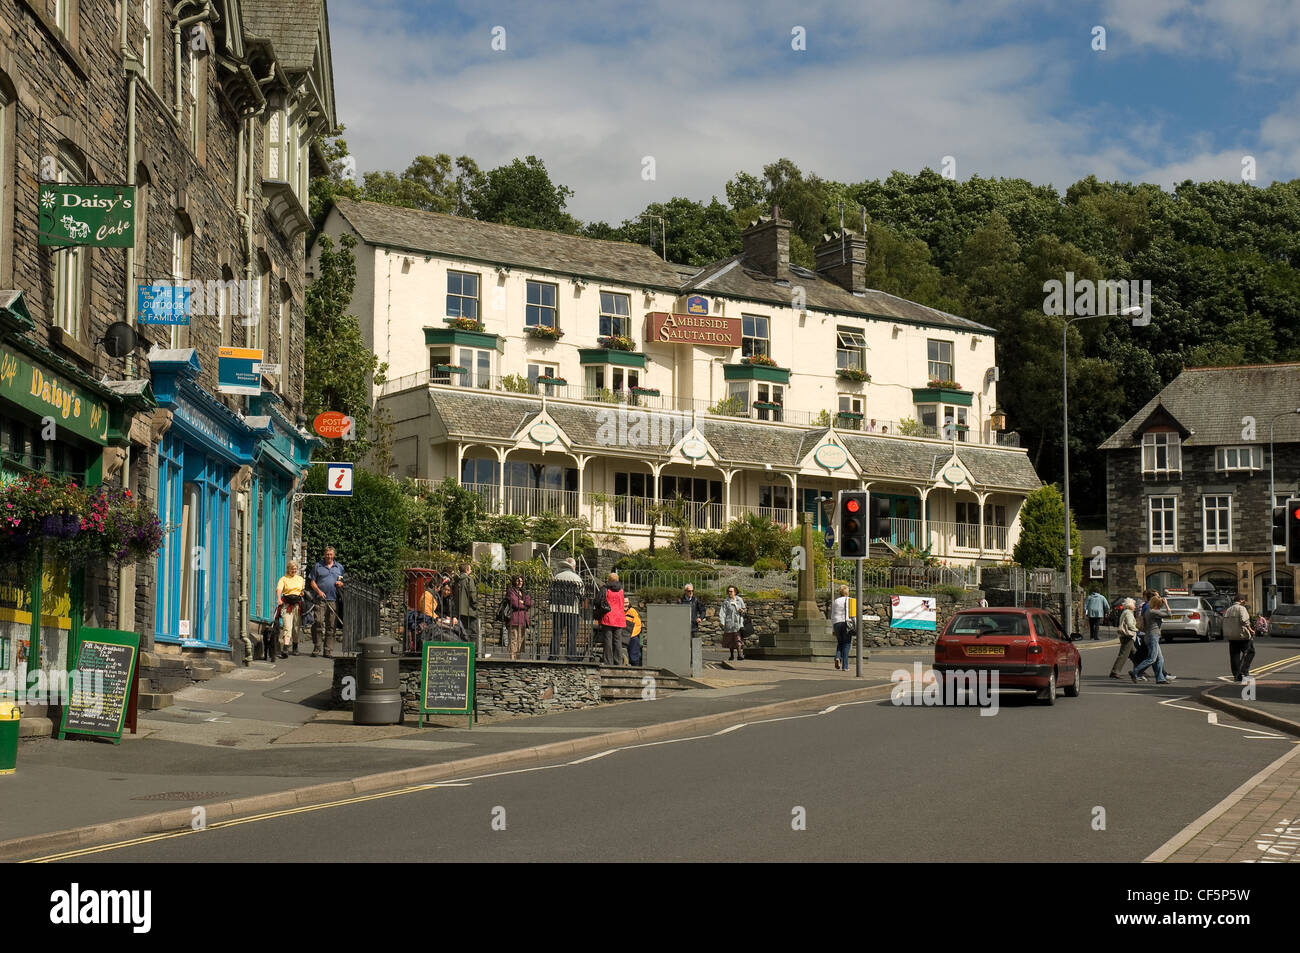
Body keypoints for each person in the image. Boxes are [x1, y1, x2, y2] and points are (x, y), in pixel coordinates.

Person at [309, 545, 345, 658]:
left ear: (333, 555)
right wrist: (319, 591)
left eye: (331, 554)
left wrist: (341, 583)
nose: (329, 556)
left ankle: (328, 650)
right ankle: (317, 646)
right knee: (318, 622)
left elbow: (342, 579)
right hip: (320, 600)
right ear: (324, 554)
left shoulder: (339, 567)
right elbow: (312, 582)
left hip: (333, 599)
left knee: (331, 626)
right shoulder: (318, 566)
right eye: (327, 554)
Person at [1132, 590, 1174, 684]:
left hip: (1150, 636)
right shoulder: (1153, 612)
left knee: (1159, 658)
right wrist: (1166, 604)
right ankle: (1136, 672)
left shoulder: (1149, 610)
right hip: (1153, 637)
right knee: (1152, 658)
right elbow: (1169, 615)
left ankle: (1160, 678)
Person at [549, 558, 583, 660]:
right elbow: (581, 593)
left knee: (556, 632)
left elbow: (550, 592)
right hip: (573, 610)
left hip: (558, 609)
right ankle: (571, 655)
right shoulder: (576, 578)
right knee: (572, 633)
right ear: (574, 566)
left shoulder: (556, 577)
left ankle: (554, 655)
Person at [275, 561, 306, 658]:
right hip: (286, 605)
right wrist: (279, 599)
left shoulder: (300, 579)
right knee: (287, 627)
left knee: (296, 628)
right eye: (292, 569)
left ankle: (295, 647)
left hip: (297, 605)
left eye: (295, 569)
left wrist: (302, 593)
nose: (293, 570)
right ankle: (285, 648)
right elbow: (279, 589)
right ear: (288, 569)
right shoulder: (283, 579)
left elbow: (302, 590)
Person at [1223, 595, 1254, 682]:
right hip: (1242, 636)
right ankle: (1243, 671)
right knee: (1250, 652)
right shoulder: (1241, 608)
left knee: (1234, 655)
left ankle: (1236, 674)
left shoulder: (1228, 609)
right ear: (1240, 600)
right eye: (1243, 600)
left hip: (1232, 636)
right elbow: (1244, 620)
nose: (1244, 601)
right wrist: (1251, 630)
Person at [598, 572, 627, 665]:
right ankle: (618, 661)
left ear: (608, 579)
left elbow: (598, 601)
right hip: (620, 618)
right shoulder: (621, 590)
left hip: (608, 617)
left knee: (608, 641)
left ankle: (608, 662)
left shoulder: (606, 589)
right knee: (618, 641)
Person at [454, 563, 480, 655]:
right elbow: (473, 595)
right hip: (469, 611)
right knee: (473, 633)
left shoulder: (456, 580)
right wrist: (476, 606)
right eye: (470, 569)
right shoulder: (469, 579)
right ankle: (473, 652)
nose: (471, 571)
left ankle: (463, 652)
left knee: (462, 632)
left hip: (459, 611)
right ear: (467, 570)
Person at [1110, 597, 1138, 679]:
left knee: (1134, 653)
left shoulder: (1125, 612)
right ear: (1130, 605)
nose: (1135, 606)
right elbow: (1129, 624)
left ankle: (1140, 669)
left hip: (1126, 636)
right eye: (1134, 605)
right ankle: (1115, 672)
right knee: (1123, 655)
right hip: (1128, 636)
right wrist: (1136, 629)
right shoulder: (1128, 613)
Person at [506, 574, 532, 660]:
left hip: (523, 619)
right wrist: (524, 604)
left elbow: (530, 603)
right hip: (514, 619)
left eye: (521, 581)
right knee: (513, 639)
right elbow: (515, 603)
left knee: (521, 641)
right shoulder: (511, 591)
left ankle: (518, 658)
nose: (520, 583)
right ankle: (512, 658)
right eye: (518, 581)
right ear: (514, 581)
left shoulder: (524, 592)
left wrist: (523, 603)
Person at [719, 586, 747, 661]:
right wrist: (722, 622)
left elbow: (744, 609)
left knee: (738, 639)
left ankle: (739, 655)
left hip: (738, 623)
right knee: (730, 640)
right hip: (729, 623)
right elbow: (722, 613)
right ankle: (731, 655)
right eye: (728, 591)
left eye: (731, 591)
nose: (729, 593)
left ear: (735, 592)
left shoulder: (739, 600)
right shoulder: (726, 601)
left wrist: (742, 611)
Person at [830, 584, 853, 671]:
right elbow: (853, 615)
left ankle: (837, 657)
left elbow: (832, 615)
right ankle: (845, 666)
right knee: (847, 644)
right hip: (846, 623)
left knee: (840, 642)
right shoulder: (850, 600)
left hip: (836, 623)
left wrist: (833, 628)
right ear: (847, 592)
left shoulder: (835, 601)